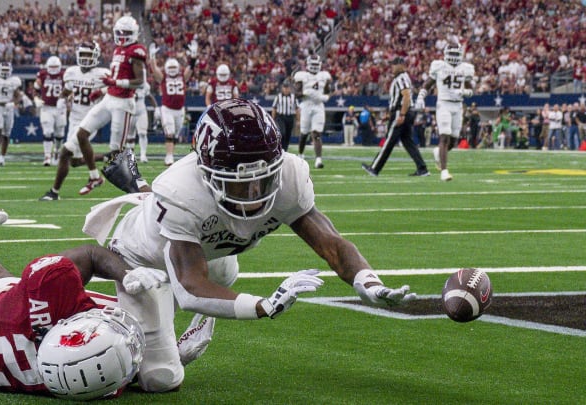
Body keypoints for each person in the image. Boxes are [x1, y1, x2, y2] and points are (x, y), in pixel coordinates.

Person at [82, 99, 416, 392]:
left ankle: (157, 313)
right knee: (161, 378)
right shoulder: (181, 191)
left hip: (213, 253)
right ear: (206, 174)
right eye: (240, 184)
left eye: (263, 178)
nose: (255, 193)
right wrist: (263, 305)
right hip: (145, 260)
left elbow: (331, 242)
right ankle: (108, 305)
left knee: (225, 270)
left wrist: (367, 282)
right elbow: (191, 288)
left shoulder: (290, 176)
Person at [0, 207, 168, 399]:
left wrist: (126, 273)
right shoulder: (89, 379)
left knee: (4, 286)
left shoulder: (44, 292)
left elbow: (91, 254)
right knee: (8, 287)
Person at [73, 15, 147, 195]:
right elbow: (116, 80)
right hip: (110, 99)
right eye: (120, 32)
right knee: (82, 134)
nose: (122, 36)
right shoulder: (118, 49)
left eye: (126, 33)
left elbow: (140, 82)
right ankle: (94, 177)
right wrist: (104, 91)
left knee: (117, 154)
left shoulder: (136, 51)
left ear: (134, 33)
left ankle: (141, 186)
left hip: (123, 103)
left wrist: (114, 83)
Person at [38, 41, 112, 201]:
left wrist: (102, 91)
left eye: (88, 55)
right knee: (74, 161)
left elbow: (115, 89)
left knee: (64, 152)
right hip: (74, 120)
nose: (85, 58)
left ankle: (54, 192)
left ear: (96, 56)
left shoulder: (103, 73)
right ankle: (108, 157)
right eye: (83, 55)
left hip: (90, 119)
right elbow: (67, 90)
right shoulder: (71, 72)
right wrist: (61, 99)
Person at [415, 41, 475, 181]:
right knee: (444, 136)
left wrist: (464, 92)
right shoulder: (440, 66)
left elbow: (471, 90)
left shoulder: (465, 68)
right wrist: (420, 97)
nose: (454, 56)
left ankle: (437, 152)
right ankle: (444, 171)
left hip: (458, 106)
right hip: (444, 104)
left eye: (456, 53)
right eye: (452, 53)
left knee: (453, 140)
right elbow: (428, 83)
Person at [361, 59, 429, 177]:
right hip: (402, 111)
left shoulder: (401, 78)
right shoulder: (402, 78)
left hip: (401, 112)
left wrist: (401, 114)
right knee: (408, 142)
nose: (392, 67)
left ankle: (375, 168)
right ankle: (422, 168)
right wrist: (390, 115)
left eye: (394, 65)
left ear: (401, 65)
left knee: (389, 141)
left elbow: (406, 96)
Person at [150, 56, 192, 166]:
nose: (173, 69)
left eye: (174, 67)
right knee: (170, 133)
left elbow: (190, 68)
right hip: (167, 109)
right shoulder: (163, 77)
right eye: (171, 67)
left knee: (175, 135)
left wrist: (193, 57)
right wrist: (152, 57)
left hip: (180, 110)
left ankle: (170, 154)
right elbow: (154, 69)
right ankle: (169, 156)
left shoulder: (182, 76)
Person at [294, 54, 331, 169]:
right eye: (313, 64)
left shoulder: (324, 76)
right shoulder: (301, 76)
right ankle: (300, 154)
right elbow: (297, 94)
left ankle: (318, 160)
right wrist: (306, 93)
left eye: (316, 64)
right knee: (304, 133)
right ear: (308, 65)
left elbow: (327, 91)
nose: (315, 67)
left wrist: (325, 97)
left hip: (318, 106)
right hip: (306, 105)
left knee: (316, 133)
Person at [34, 56, 67, 166]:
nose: (53, 69)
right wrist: (36, 99)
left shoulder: (64, 75)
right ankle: (47, 156)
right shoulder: (42, 74)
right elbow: (36, 89)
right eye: (51, 67)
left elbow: (70, 90)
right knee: (47, 132)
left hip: (60, 108)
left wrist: (66, 99)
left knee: (59, 134)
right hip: (46, 107)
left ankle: (56, 152)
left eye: (55, 67)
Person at [271, 81, 298, 151]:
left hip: (290, 117)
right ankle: (282, 148)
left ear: (290, 88)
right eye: (284, 87)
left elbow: (297, 109)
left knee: (288, 134)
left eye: (287, 87)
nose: (286, 89)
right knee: (283, 132)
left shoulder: (293, 97)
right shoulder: (278, 97)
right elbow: (274, 108)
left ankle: (285, 149)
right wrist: (272, 119)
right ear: (282, 88)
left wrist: (298, 120)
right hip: (281, 117)